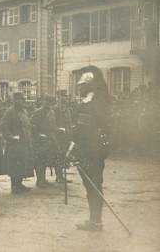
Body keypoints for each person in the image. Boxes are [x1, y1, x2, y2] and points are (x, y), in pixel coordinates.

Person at [66, 65, 111, 231]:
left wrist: (71, 149)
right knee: (94, 183)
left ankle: (95, 221)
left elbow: (81, 129)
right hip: (97, 147)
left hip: (89, 149)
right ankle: (95, 220)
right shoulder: (101, 99)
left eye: (81, 85)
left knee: (92, 184)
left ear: (89, 84)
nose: (79, 88)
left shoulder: (90, 102)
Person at [0, 92, 34, 194]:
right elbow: (3, 126)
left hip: (24, 142)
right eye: (20, 99)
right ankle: (14, 186)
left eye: (23, 99)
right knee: (15, 165)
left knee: (22, 164)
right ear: (15, 101)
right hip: (15, 143)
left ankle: (19, 184)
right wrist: (10, 137)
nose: (22, 101)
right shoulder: (10, 112)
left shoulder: (24, 111)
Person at [31, 95, 58, 188]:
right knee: (40, 160)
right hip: (40, 140)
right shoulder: (38, 112)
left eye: (51, 103)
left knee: (46, 159)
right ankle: (40, 180)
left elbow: (53, 126)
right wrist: (38, 135)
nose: (49, 104)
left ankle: (43, 179)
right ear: (44, 102)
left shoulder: (52, 112)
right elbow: (32, 126)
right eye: (47, 102)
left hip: (49, 139)